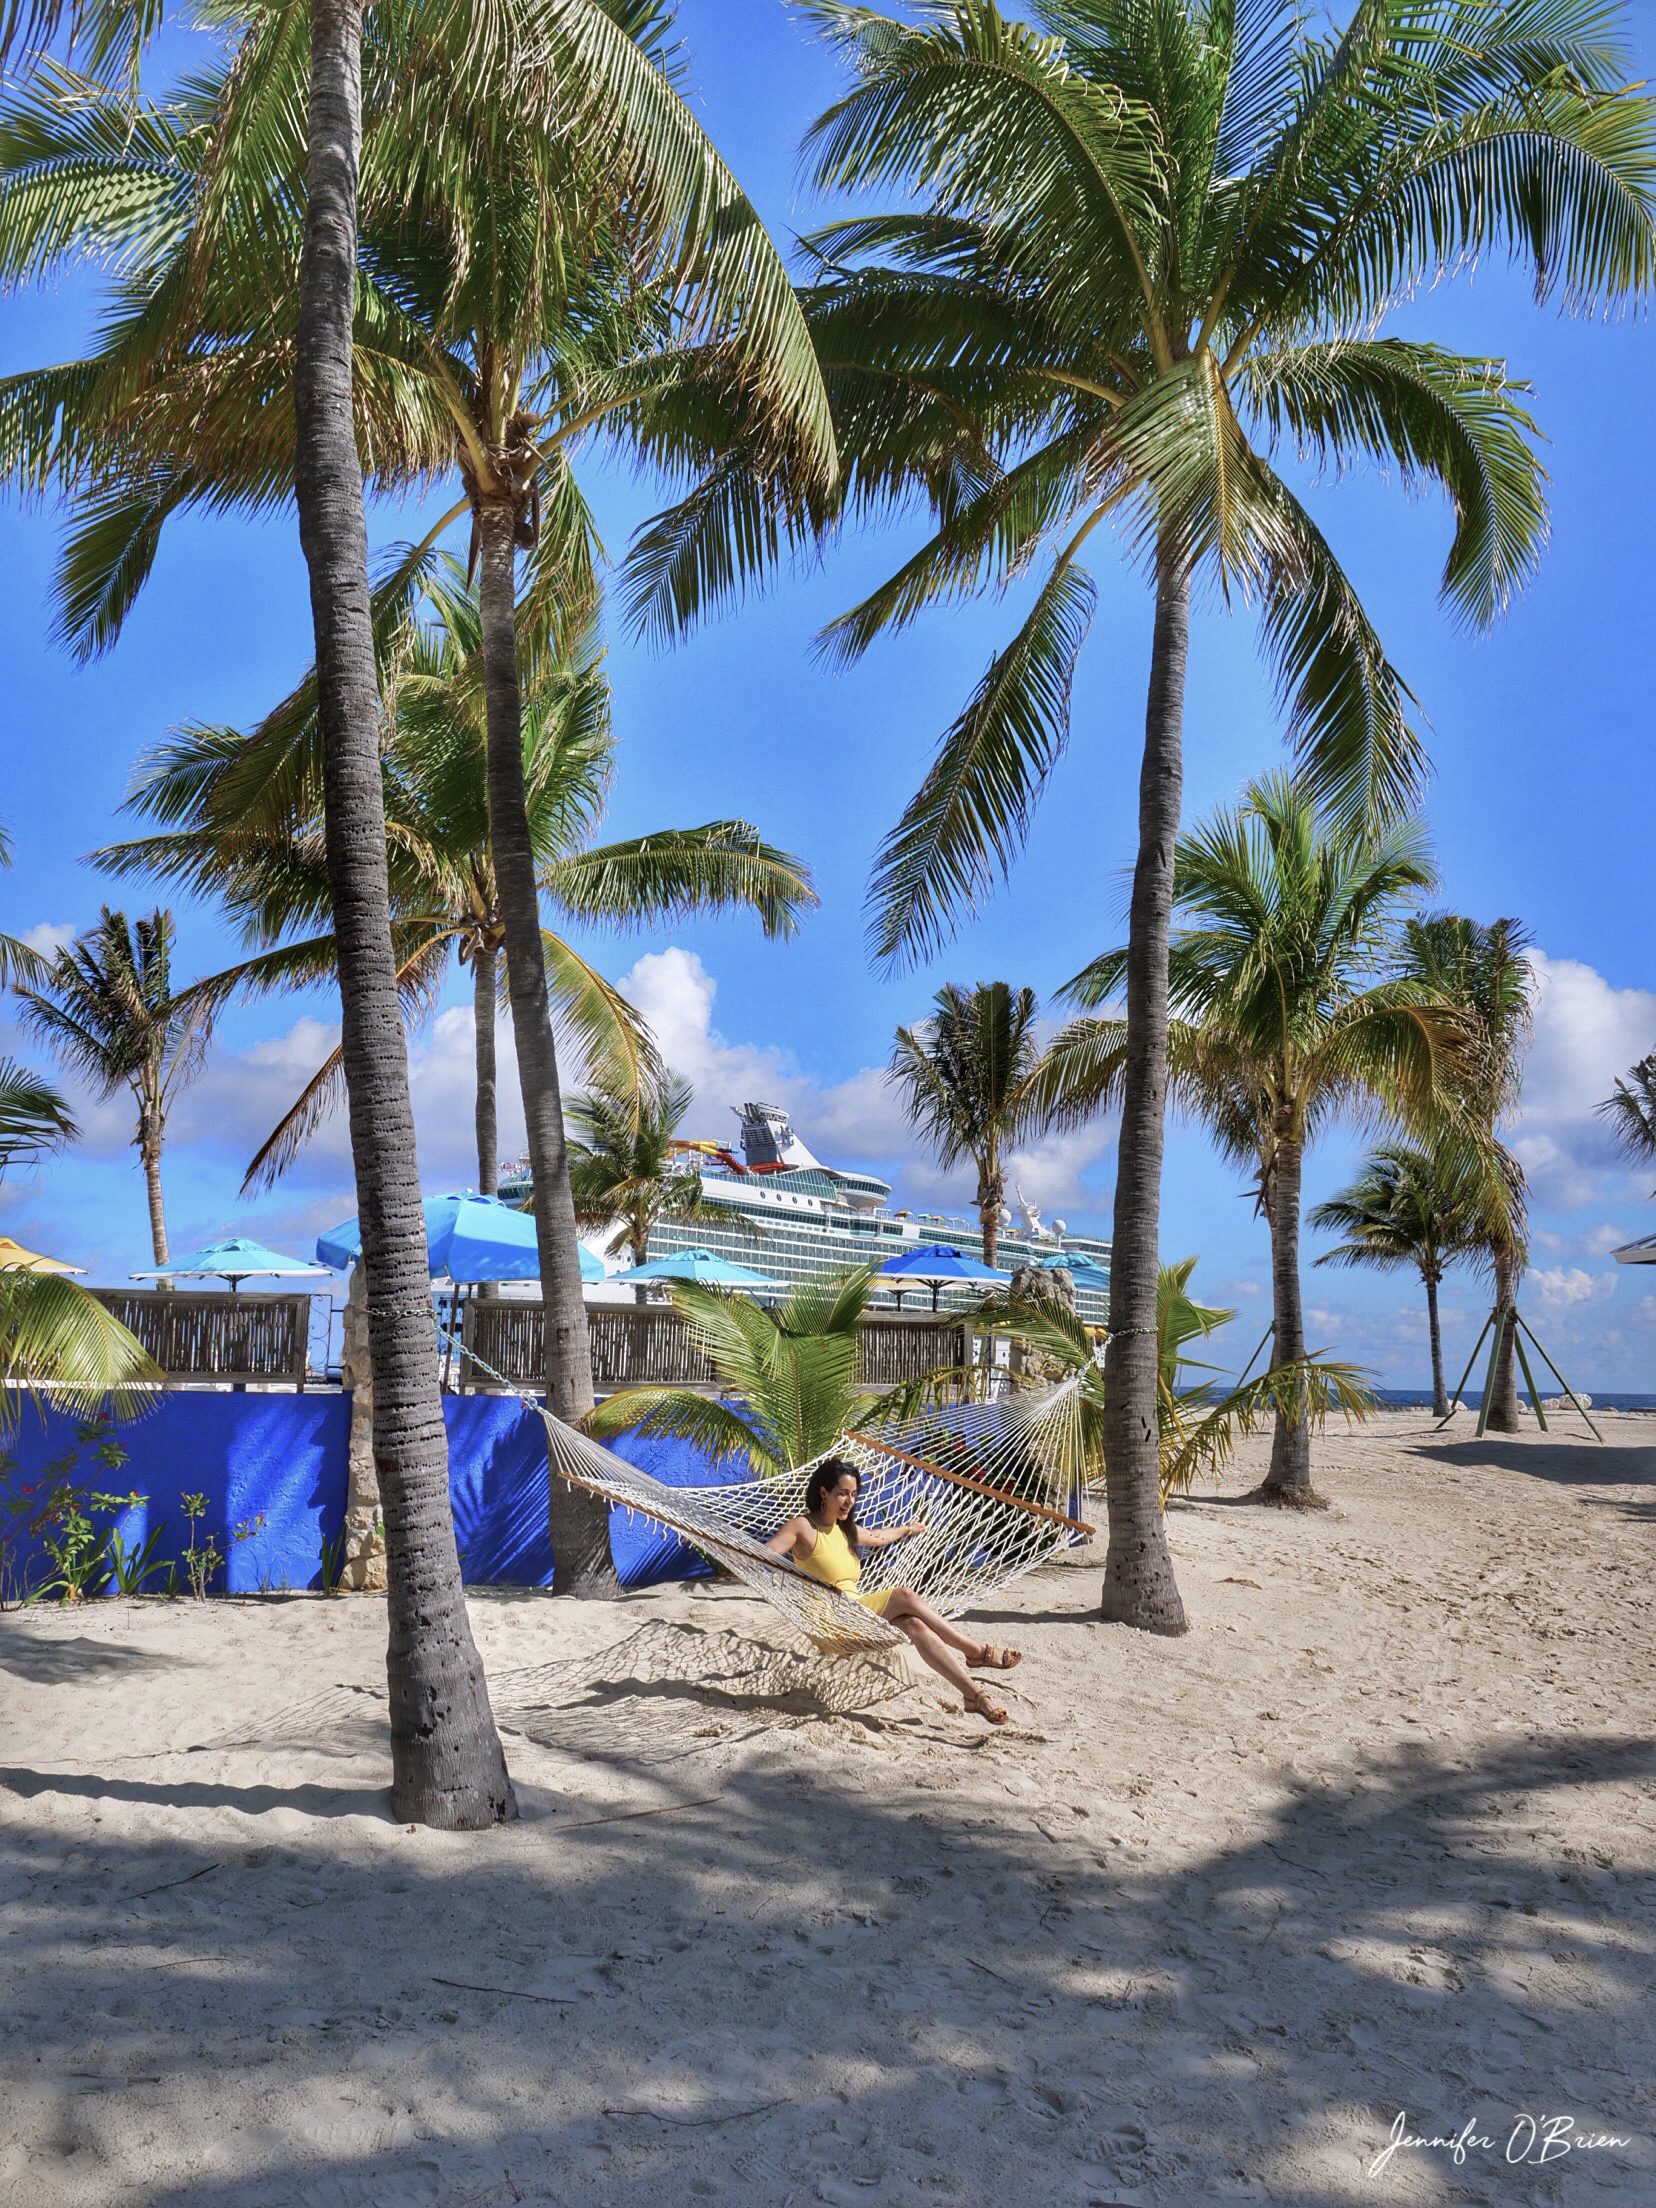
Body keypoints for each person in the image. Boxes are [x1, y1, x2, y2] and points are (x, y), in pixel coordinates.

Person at [766, 1457, 1022, 1724]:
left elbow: (879, 1537)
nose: (849, 1501)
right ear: (823, 1492)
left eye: (853, 1494)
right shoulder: (802, 1527)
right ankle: (975, 1651)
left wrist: (907, 1529)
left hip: (856, 1613)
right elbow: (766, 1554)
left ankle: (975, 1696)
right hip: (829, 1620)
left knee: (915, 1626)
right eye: (842, 1493)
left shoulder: (846, 1530)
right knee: (904, 1596)